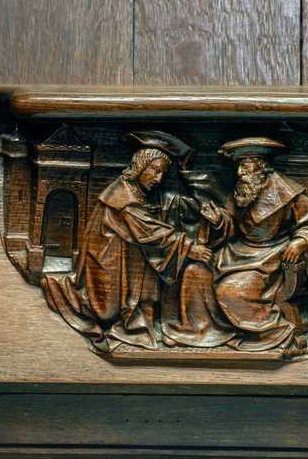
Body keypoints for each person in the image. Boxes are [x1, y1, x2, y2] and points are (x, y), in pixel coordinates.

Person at [42, 132, 212, 351]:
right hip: (108, 263)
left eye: (163, 173)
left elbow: (154, 217)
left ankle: (145, 320)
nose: (159, 178)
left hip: (126, 257)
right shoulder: (122, 196)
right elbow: (147, 230)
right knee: (108, 306)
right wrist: (189, 248)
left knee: (147, 258)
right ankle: (65, 292)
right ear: (140, 166)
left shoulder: (139, 191)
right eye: (155, 170)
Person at [172, 137, 308, 356]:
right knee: (194, 271)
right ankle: (204, 332)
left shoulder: (287, 193)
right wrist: (218, 222)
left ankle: (278, 333)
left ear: (262, 167)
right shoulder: (244, 190)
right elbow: (233, 224)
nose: (240, 173)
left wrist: (300, 241)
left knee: (231, 290)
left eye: (245, 166)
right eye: (239, 166)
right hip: (236, 252)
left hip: (270, 257)